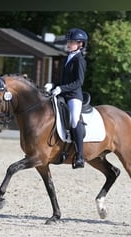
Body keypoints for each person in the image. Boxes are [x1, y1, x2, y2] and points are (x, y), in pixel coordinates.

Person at [45, 28, 88, 169]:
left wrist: (61, 89)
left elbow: (78, 82)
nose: (68, 44)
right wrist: (53, 85)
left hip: (74, 96)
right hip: (62, 94)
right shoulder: (66, 57)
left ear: (80, 44)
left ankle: (80, 156)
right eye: (68, 41)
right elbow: (62, 79)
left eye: (72, 42)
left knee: (75, 120)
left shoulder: (80, 60)